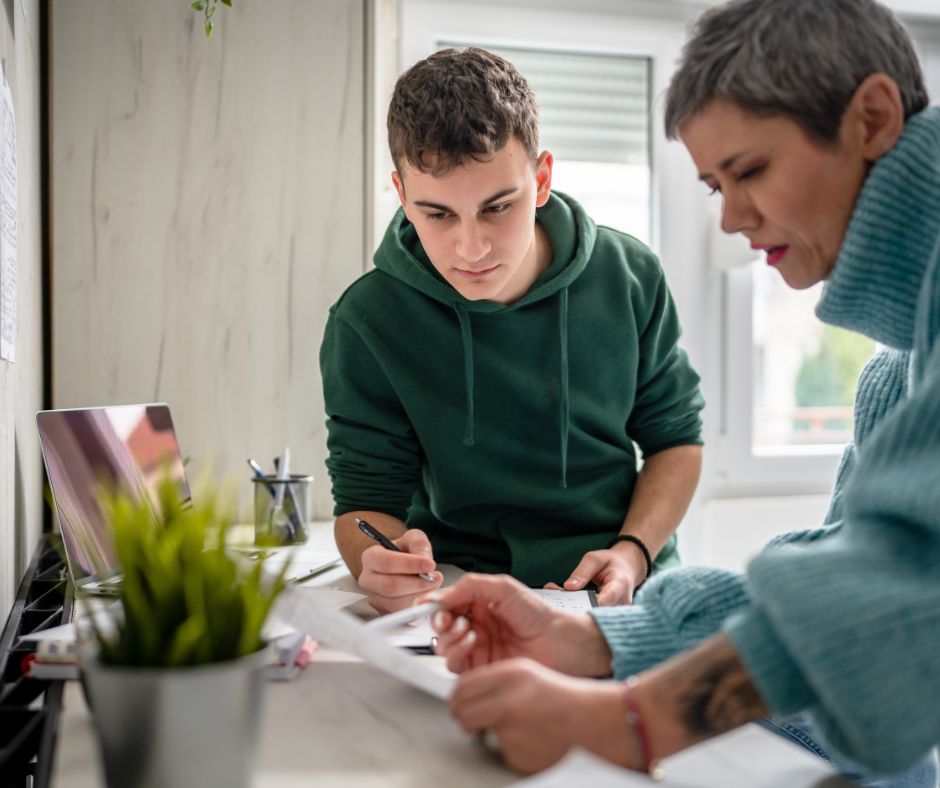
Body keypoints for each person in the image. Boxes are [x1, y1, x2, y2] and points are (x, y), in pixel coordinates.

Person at [429, 0, 940, 784]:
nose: (733, 219)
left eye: (752, 172)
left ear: (871, 117)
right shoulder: (891, 375)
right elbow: (834, 595)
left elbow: (898, 600)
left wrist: (630, 722)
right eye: (714, 187)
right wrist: (598, 641)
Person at [320, 48, 704, 613]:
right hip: (457, 595)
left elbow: (676, 440)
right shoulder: (367, 320)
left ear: (541, 178)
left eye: (498, 207)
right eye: (438, 215)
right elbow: (363, 504)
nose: (470, 249)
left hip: (619, 588)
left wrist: (633, 551)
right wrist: (376, 562)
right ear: (402, 196)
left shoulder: (630, 276)